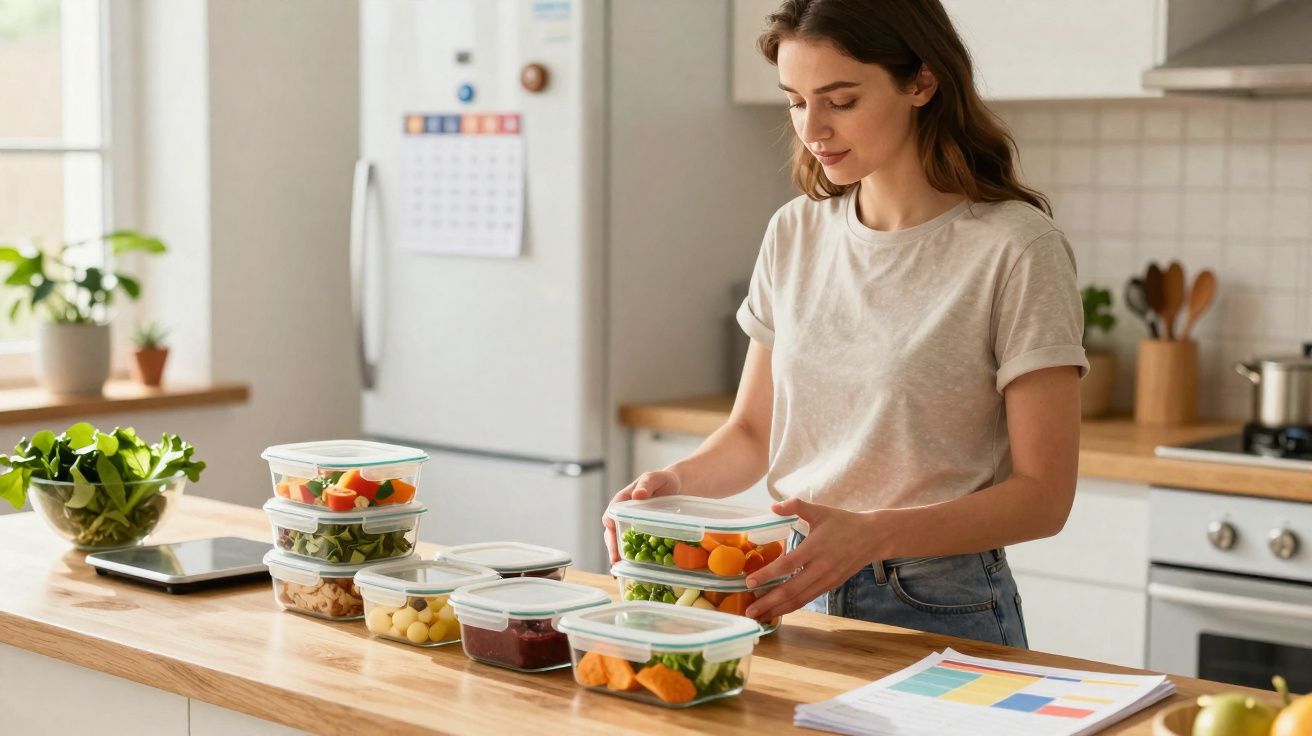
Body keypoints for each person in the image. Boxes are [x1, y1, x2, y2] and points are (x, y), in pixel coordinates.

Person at [603, 0, 1087, 648]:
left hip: (938, 604)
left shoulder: (1016, 248)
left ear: (921, 82)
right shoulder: (794, 232)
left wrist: (876, 532)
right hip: (785, 589)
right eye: (797, 101)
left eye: (839, 100)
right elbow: (752, 433)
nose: (813, 128)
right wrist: (674, 483)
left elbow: (1043, 498)